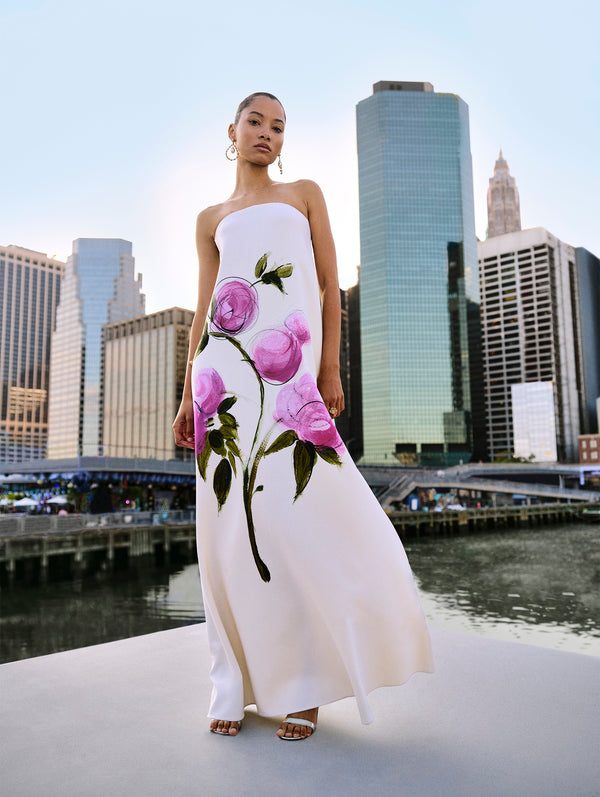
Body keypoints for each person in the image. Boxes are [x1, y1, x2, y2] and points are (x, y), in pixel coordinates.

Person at [173, 92, 433, 741]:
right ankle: (233, 682)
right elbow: (206, 308)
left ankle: (306, 685)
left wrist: (329, 368)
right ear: (232, 131)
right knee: (226, 532)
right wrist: (186, 394)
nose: (267, 133)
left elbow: (327, 288)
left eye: (279, 126)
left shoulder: (305, 194)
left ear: (285, 140)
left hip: (288, 375)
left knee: (302, 513)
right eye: (256, 122)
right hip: (221, 381)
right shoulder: (210, 218)